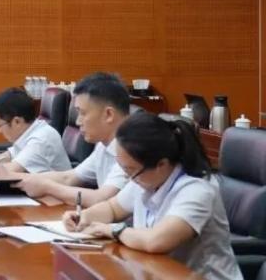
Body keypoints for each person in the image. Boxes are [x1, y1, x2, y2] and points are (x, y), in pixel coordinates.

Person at [63, 112, 240, 280]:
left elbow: (157, 241)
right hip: (154, 272)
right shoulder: (145, 177)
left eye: (131, 170)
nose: (129, 178)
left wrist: (113, 230)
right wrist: (84, 216)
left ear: (161, 164)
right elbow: (112, 208)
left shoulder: (197, 189)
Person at [14, 72, 131, 207]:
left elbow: (101, 199)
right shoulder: (103, 145)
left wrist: (47, 187)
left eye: (82, 113)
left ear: (109, 114)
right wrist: (16, 179)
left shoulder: (132, 149)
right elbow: (69, 178)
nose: (77, 121)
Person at [0, 87, 72, 174]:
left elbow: (8, 172)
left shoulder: (41, 139)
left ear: (17, 122)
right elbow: (10, 154)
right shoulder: (33, 129)